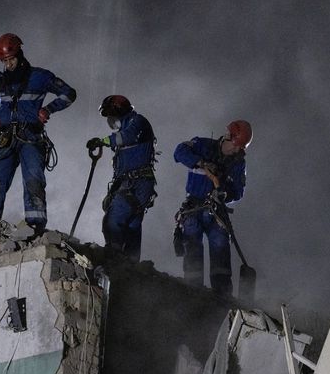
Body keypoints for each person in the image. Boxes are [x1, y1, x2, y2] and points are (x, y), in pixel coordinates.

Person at [0, 32, 76, 233]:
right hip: (5, 139)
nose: (8, 64)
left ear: (19, 54)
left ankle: (35, 230)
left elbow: (69, 93)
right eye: (4, 61)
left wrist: (49, 109)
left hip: (30, 138)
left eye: (11, 59)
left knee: (34, 181)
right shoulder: (0, 81)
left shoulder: (40, 77)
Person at [173, 120, 252, 295]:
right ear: (227, 136)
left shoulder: (238, 163)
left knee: (220, 246)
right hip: (193, 208)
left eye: (240, 147)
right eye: (235, 145)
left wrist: (224, 195)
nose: (236, 150)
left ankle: (222, 296)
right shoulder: (202, 145)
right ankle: (192, 291)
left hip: (216, 211)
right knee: (192, 247)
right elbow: (179, 152)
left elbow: (238, 191)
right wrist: (201, 163)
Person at [85, 94, 156, 260]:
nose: (110, 119)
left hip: (137, 183)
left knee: (113, 220)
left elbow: (128, 137)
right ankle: (131, 265)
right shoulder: (124, 131)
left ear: (119, 110)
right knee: (132, 225)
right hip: (132, 183)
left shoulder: (138, 122)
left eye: (111, 114)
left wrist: (102, 141)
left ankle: (114, 259)